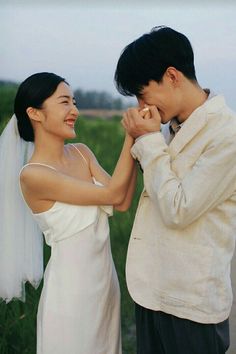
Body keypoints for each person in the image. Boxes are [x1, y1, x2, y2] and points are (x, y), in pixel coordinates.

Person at [114, 26, 236, 354]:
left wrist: (149, 140)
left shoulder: (228, 135)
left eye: (142, 93)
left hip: (190, 306)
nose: (141, 105)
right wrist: (152, 138)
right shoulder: (169, 127)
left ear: (171, 76)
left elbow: (179, 209)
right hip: (151, 293)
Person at [0, 72, 138, 354]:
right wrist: (131, 136)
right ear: (34, 113)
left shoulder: (83, 153)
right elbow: (112, 194)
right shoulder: (34, 175)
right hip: (71, 293)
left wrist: (137, 143)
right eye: (64, 102)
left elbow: (121, 202)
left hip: (105, 286)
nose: (74, 110)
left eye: (73, 101)